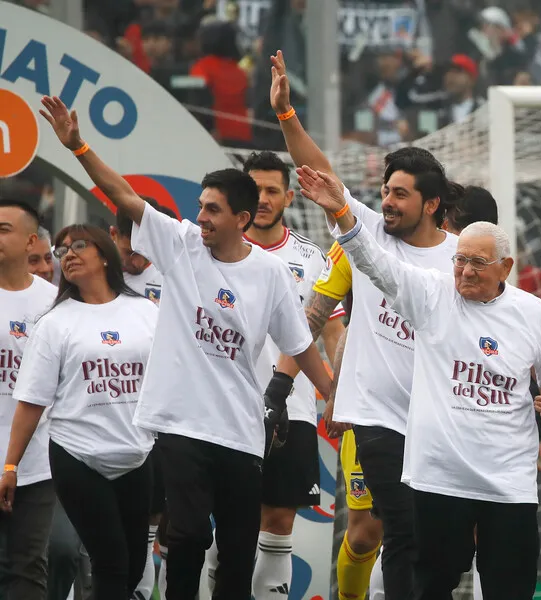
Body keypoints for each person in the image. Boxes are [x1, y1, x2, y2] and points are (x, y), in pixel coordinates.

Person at [38, 94, 333, 600]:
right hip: (179, 427)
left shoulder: (270, 273)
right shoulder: (181, 244)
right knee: (191, 533)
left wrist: (335, 394)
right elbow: (126, 197)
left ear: (242, 219)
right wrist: (78, 146)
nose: (201, 217)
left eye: (213, 210)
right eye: (200, 206)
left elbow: (300, 343)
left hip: (242, 430)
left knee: (240, 550)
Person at [298, 164, 541, 599]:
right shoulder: (431, 295)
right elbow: (376, 264)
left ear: (505, 267)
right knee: (426, 583)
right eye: (459, 260)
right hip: (439, 480)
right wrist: (343, 215)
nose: (464, 271)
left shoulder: (534, 315)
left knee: (509, 588)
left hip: (508, 484)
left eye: (478, 263)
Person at [270, 49, 456, 600]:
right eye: (385, 192)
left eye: (401, 194)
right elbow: (321, 173)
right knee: (402, 530)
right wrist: (286, 115)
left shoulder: (459, 260)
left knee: (434, 540)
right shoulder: (366, 232)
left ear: (433, 203)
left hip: (438, 417)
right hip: (376, 416)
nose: (388, 202)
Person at [202, 150, 345, 599]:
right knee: (220, 519)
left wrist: (336, 390)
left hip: (293, 408)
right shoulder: (209, 253)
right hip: (220, 409)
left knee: (280, 519)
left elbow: (333, 332)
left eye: (272, 191)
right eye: (255, 189)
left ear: (287, 197)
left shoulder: (312, 257)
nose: (263, 199)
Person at [0, 224, 158, 599]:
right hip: (77, 456)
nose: (67, 254)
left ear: (105, 254)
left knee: (135, 566)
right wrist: (11, 466)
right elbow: (32, 401)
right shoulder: (55, 323)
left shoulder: (146, 312)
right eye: (61, 250)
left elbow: (170, 379)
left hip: (137, 455)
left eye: (78, 245)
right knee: (110, 562)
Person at [110, 194, 177, 600]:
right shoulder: (94, 274)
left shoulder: (176, 272)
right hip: (111, 409)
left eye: (146, 249)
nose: (137, 258)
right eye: (129, 247)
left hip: (165, 410)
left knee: (161, 513)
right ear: (114, 233)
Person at [0, 200, 58, 600]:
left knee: (28, 567)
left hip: (36, 465)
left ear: (31, 240)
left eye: (3, 229)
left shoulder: (55, 303)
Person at [110, 195, 177, 304]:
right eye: (130, 253)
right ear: (113, 234)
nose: (138, 263)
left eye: (147, 251)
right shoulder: (95, 272)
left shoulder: (175, 272)